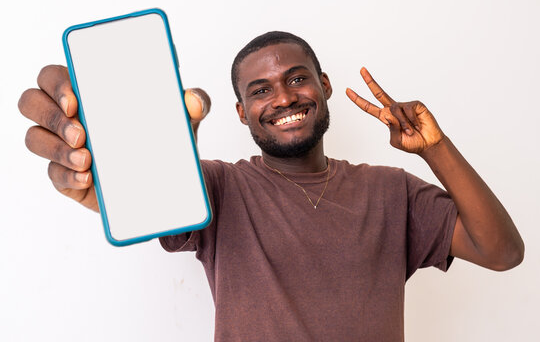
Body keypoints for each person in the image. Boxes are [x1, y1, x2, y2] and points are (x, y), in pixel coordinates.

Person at [19, 31, 524, 341]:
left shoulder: (392, 191)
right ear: (242, 113)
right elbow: (149, 199)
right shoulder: (218, 187)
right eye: (260, 91)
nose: (283, 97)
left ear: (324, 86)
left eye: (297, 79)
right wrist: (104, 163)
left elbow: (501, 251)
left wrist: (434, 147)